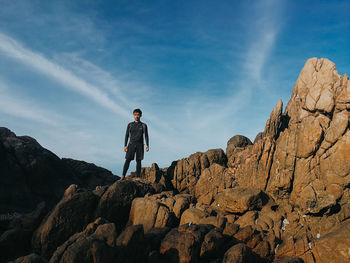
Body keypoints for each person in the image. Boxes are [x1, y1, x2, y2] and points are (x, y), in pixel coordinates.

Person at [119, 108, 149, 180]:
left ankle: (138, 176)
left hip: (140, 145)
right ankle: (123, 176)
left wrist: (147, 145)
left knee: (139, 161)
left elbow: (146, 136)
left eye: (138, 115)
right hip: (131, 144)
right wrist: (125, 145)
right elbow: (126, 135)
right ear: (133, 115)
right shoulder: (130, 125)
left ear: (140, 115)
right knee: (127, 160)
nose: (136, 116)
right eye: (135, 115)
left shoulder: (143, 125)